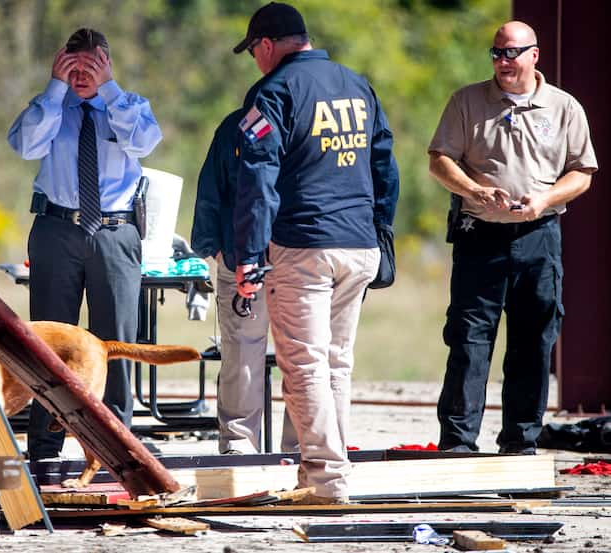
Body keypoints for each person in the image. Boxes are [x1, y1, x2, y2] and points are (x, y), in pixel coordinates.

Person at [232, 3, 399, 503]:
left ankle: (328, 480)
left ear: (266, 45)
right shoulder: (357, 83)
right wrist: (379, 229)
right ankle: (319, 472)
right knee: (334, 365)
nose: (256, 62)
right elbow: (385, 166)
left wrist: (248, 255)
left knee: (304, 366)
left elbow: (257, 179)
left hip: (305, 246)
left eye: (254, 53)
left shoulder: (274, 91)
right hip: (359, 245)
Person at [428, 21, 597, 455]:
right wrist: (474, 189)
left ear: (534, 55)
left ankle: (520, 442)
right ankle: (458, 443)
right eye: (497, 53)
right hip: (479, 236)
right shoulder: (467, 101)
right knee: (469, 340)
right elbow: (439, 160)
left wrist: (545, 199)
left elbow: (582, 172)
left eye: (512, 53)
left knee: (533, 341)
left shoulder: (563, 107)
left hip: (539, 237)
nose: (504, 62)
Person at [8, 28, 162, 463]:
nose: (81, 75)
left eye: (91, 66)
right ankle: (44, 447)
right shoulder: (50, 108)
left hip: (115, 230)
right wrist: (55, 89)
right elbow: (25, 145)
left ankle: (114, 447)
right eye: (72, 66)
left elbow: (145, 141)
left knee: (115, 341)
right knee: (50, 340)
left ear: (107, 65)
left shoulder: (128, 106)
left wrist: (109, 90)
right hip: (58, 228)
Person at [191, 109, 299, 455]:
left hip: (298, 259)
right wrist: (216, 249)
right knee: (241, 356)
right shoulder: (235, 126)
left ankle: (302, 448)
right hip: (240, 259)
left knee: (303, 357)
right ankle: (239, 445)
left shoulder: (309, 127)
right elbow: (211, 186)